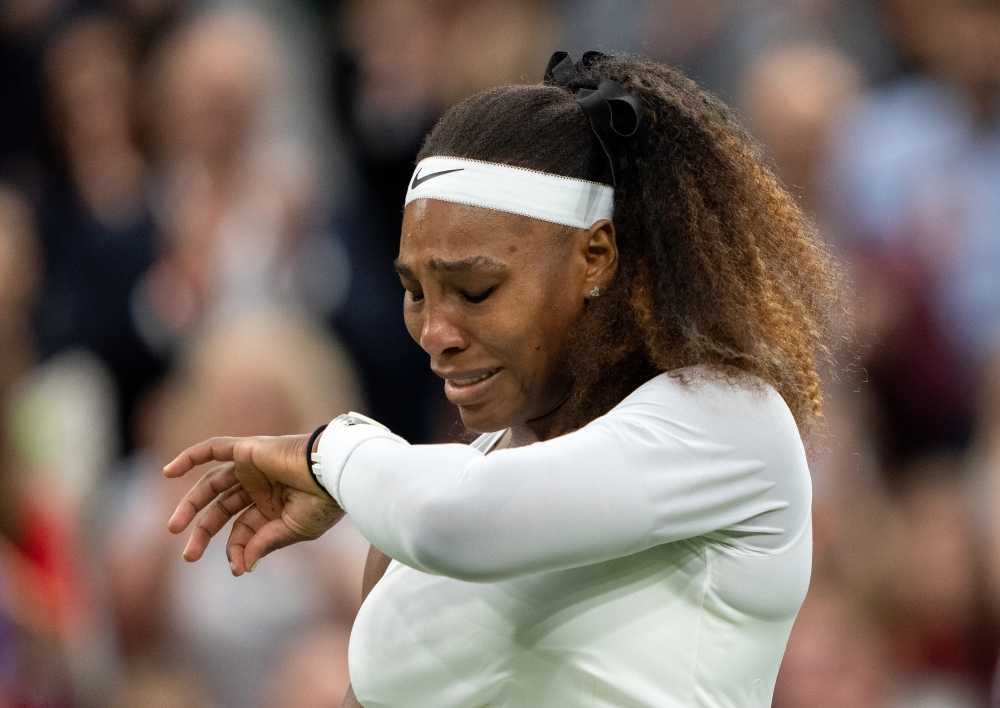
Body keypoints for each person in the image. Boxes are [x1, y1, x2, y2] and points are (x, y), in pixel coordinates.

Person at [164, 51, 842, 707]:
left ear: (596, 256)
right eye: (416, 292)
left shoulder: (730, 421)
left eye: (476, 290)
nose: (436, 333)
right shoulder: (416, 504)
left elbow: (451, 518)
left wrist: (329, 451)